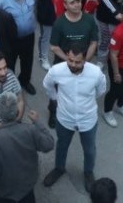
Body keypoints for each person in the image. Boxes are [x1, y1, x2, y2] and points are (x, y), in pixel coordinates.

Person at [41, 40, 105, 190]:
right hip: (64, 118)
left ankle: (88, 172)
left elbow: (101, 90)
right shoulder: (56, 70)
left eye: (78, 62)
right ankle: (59, 168)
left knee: (89, 150)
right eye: (70, 60)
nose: (73, 65)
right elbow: (48, 85)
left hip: (88, 119)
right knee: (62, 145)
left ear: (85, 60)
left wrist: (86, 103)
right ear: (67, 56)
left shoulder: (95, 73)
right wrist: (55, 99)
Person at [0, 92, 54, 203]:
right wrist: (37, 122)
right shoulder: (30, 129)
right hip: (27, 184)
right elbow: (49, 144)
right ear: (18, 112)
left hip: (5, 192)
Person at [0, 0, 38, 94]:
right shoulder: (1, 0)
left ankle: (24, 81)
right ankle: (10, 86)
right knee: (9, 63)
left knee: (27, 62)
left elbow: (35, 7)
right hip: (11, 39)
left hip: (29, 37)